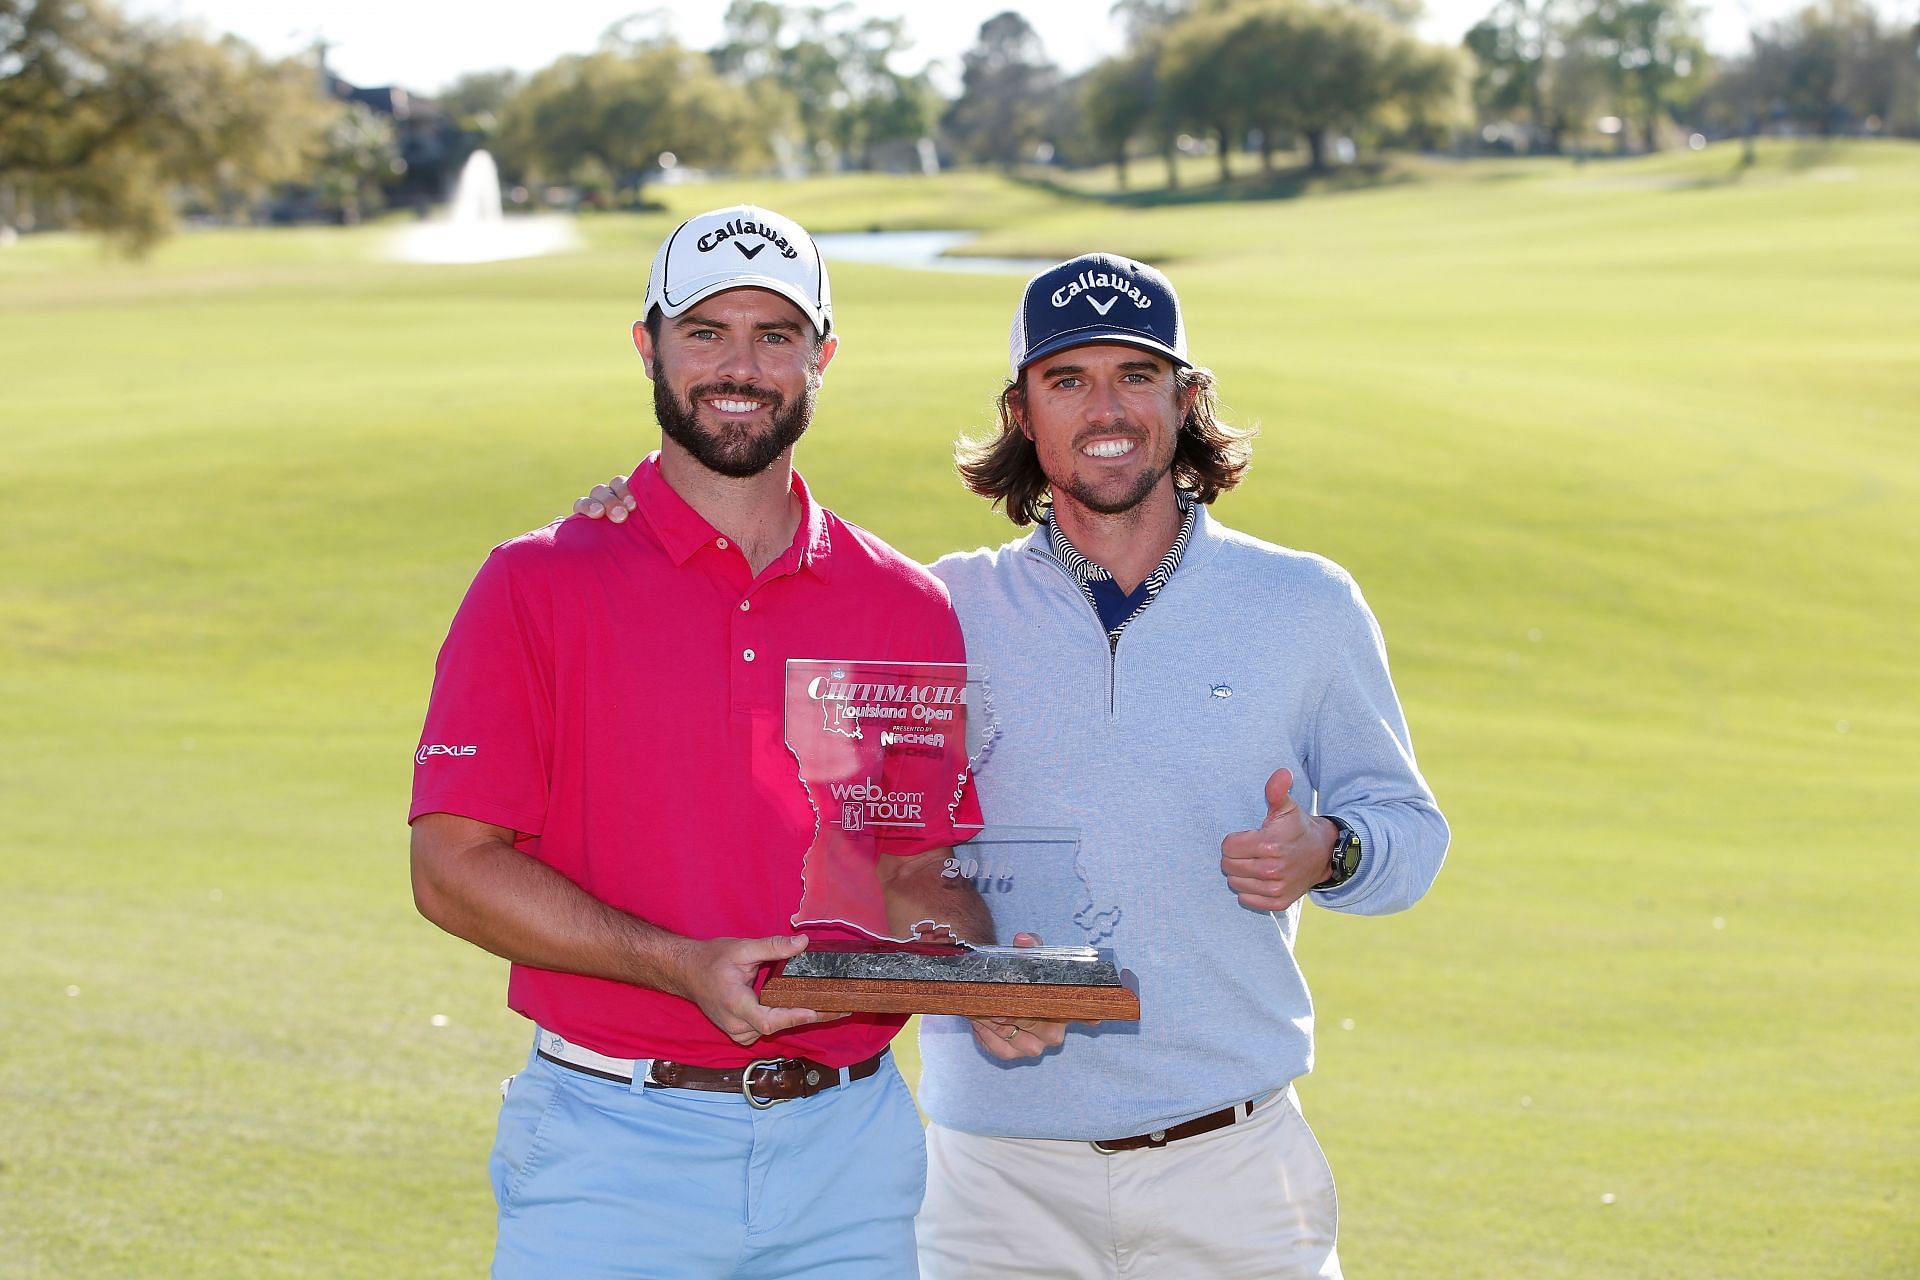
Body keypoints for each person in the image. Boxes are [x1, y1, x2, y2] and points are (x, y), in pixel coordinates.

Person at [576, 252, 1449, 1279]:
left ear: (1186, 396)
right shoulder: (938, 609)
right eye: (1067, 379)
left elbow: (1410, 834)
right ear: (1023, 413)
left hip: (1234, 1163)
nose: (1105, 406)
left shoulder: (1305, 604)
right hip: (994, 1183)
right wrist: (632, 530)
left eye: (1136, 372)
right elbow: (791, 721)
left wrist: (1331, 850)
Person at [410, 204, 1058, 1280]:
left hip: (850, 1157)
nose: (740, 365)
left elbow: (910, 874)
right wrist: (677, 964)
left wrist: (976, 966)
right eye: (706, 331)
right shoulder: (537, 583)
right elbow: (451, 870)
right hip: (614, 1147)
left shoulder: (903, 604)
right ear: (649, 345)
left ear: (822, 356)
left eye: (775, 334)